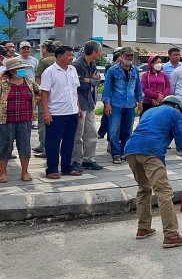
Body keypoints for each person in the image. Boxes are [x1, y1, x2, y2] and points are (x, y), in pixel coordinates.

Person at [124, 95, 182, 248]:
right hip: (150, 150)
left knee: (144, 189)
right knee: (164, 192)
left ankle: (143, 229)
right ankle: (171, 235)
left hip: (130, 150)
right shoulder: (175, 113)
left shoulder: (149, 112)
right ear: (177, 107)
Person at [40, 45, 83, 179]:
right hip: (56, 113)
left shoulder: (72, 70)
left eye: (72, 55)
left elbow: (75, 91)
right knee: (53, 142)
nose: (72, 58)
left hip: (72, 111)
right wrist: (46, 112)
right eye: (69, 55)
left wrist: (78, 107)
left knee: (69, 141)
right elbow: (44, 93)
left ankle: (66, 167)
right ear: (59, 56)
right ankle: (52, 169)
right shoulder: (49, 72)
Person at [0, 58, 40, 182]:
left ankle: (25, 172)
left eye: (22, 68)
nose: (22, 71)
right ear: (11, 71)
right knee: (5, 146)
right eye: (19, 69)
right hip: (6, 120)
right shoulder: (2, 84)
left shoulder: (29, 82)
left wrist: (33, 104)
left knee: (24, 146)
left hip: (25, 119)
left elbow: (38, 93)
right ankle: (3, 173)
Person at [102, 47, 143, 165]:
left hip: (130, 104)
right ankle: (115, 153)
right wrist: (107, 103)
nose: (129, 58)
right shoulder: (113, 70)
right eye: (127, 56)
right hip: (115, 104)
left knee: (127, 130)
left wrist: (139, 101)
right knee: (114, 130)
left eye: (131, 56)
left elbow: (138, 87)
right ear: (121, 55)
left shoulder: (134, 70)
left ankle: (125, 151)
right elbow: (107, 88)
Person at [71, 40, 103, 172]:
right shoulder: (77, 65)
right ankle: (76, 160)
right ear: (94, 52)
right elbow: (78, 84)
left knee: (91, 132)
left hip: (90, 102)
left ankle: (89, 159)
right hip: (79, 102)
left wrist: (89, 80)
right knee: (78, 134)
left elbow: (97, 81)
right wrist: (90, 80)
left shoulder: (93, 64)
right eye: (100, 51)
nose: (101, 53)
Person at [33, 40, 61, 157]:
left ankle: (44, 147)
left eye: (42, 48)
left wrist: (38, 96)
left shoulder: (44, 61)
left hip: (45, 95)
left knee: (43, 122)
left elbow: (38, 79)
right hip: (57, 97)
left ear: (45, 49)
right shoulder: (58, 61)